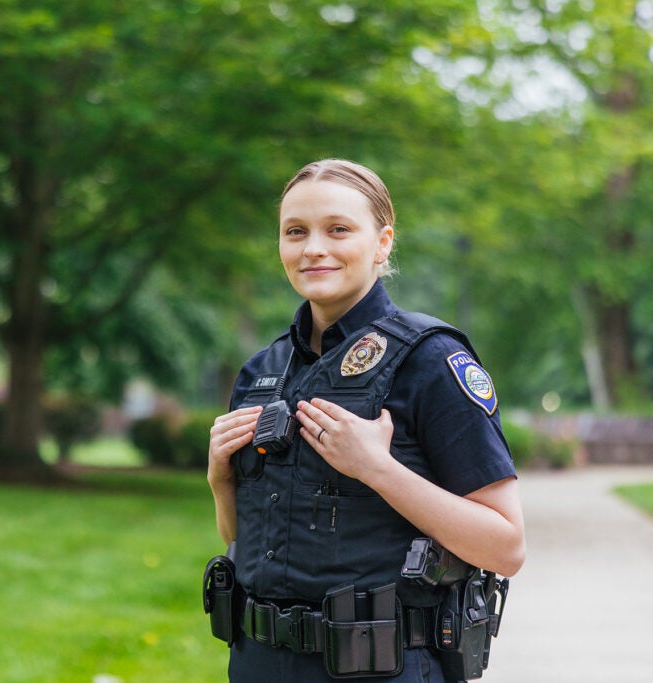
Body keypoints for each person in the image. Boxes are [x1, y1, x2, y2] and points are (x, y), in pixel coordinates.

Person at [206, 159, 525, 682]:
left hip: (380, 666)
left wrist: (377, 468)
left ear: (382, 244)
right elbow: (242, 539)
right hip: (259, 662)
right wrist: (221, 481)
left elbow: (506, 546)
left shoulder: (431, 361)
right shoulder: (263, 370)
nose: (313, 248)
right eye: (295, 232)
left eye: (338, 229)